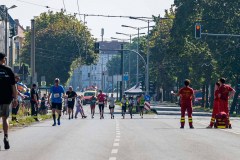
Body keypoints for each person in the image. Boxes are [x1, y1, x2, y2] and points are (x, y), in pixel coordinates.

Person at [0, 52, 18, 150]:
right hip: (6, 98)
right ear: (2, 59)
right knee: (5, 118)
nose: (6, 60)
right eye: (5, 58)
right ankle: (6, 137)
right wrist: (15, 99)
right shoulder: (8, 70)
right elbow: (13, 86)